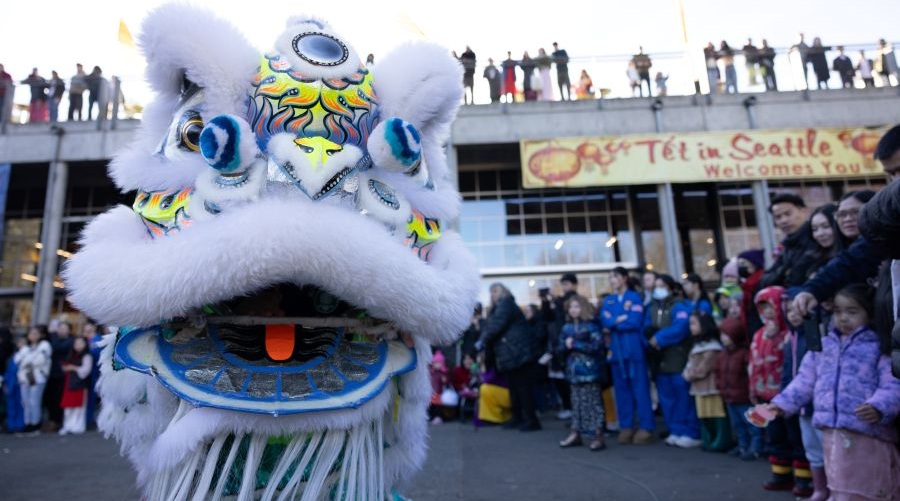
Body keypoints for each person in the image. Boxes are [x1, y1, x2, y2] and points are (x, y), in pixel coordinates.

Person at [770, 285, 900, 501]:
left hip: (868, 434)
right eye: (838, 311)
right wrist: (780, 405)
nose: (843, 318)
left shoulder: (878, 346)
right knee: (840, 485)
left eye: (852, 311)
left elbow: (893, 383)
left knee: (870, 488)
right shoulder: (823, 346)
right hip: (832, 433)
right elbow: (804, 380)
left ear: (868, 313)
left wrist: (879, 406)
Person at [749, 286, 807, 494]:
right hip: (765, 396)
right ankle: (781, 474)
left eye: (770, 307)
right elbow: (753, 364)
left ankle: (804, 477)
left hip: (786, 396)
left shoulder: (787, 335)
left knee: (795, 435)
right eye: (762, 308)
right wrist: (753, 388)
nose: (767, 312)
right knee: (775, 436)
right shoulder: (759, 335)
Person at [476, 283, 542, 431]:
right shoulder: (500, 307)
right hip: (512, 354)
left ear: (503, 291)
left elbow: (496, 325)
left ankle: (531, 420)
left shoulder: (506, 304)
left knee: (522, 388)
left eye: (495, 291)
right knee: (514, 388)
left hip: (518, 352)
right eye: (491, 291)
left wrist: (482, 341)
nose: (492, 294)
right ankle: (517, 417)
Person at [600, 267, 654, 445]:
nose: (612, 280)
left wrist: (615, 322)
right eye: (610, 277)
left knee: (640, 389)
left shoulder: (634, 297)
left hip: (634, 351)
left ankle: (646, 427)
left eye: (614, 276)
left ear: (624, 278)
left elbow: (634, 321)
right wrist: (619, 319)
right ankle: (627, 426)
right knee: (621, 392)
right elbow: (605, 321)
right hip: (616, 353)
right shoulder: (608, 300)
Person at [646, 274, 701, 448]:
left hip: (677, 357)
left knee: (682, 397)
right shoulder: (652, 307)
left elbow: (681, 327)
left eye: (661, 285)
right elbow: (645, 327)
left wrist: (659, 338)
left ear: (670, 287)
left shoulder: (680, 306)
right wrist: (650, 339)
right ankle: (675, 430)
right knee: (667, 398)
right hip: (660, 360)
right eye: (656, 285)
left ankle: (691, 432)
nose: (657, 289)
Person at [781, 290, 820, 499]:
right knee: (809, 447)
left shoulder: (813, 336)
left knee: (826, 449)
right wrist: (782, 399)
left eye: (797, 309)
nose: (793, 314)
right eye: (788, 310)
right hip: (797, 404)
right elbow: (787, 371)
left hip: (817, 404)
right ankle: (817, 486)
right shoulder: (791, 338)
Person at [714, 298, 761, 460]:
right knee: (738, 425)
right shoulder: (723, 354)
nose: (724, 338)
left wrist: (751, 391)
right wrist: (720, 387)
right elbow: (718, 373)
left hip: (743, 397)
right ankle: (742, 447)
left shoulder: (744, 354)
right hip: (729, 396)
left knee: (753, 424)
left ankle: (755, 448)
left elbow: (750, 374)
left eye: (726, 335)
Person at [558, 295, 607, 451]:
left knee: (593, 404)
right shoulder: (566, 328)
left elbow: (597, 347)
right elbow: (559, 348)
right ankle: (576, 433)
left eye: (577, 307)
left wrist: (575, 344)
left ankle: (598, 435)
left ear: (583, 308)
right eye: (571, 307)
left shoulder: (591, 326)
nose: (573, 310)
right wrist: (565, 346)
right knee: (576, 404)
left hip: (589, 371)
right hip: (573, 372)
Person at [682, 312, 730, 452]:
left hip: (711, 387)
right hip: (699, 388)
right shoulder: (698, 345)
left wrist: (688, 375)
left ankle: (720, 442)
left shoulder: (712, 348)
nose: (691, 327)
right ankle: (709, 441)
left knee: (716, 415)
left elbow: (703, 369)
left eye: (694, 323)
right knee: (704, 416)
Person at [760, 193, 819, 289]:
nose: (783, 220)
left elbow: (797, 277)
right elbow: (764, 280)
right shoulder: (786, 246)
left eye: (788, 214)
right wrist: (784, 271)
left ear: (804, 211)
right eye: (778, 217)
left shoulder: (817, 238)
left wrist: (782, 273)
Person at [541, 273, 580, 420]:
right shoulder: (559, 302)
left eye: (567, 284)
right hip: (559, 343)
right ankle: (569, 408)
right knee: (560, 380)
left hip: (571, 344)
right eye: (563, 284)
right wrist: (546, 302)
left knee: (571, 380)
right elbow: (548, 318)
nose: (564, 287)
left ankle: (575, 410)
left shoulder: (574, 301)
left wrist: (556, 301)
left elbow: (565, 314)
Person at [13, 326, 51, 434]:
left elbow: (40, 360)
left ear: (40, 334)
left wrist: (27, 361)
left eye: (35, 333)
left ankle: (36, 424)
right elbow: (17, 360)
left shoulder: (45, 345)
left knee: (34, 401)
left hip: (38, 378)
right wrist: (27, 360)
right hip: (25, 378)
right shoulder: (25, 348)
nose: (33, 335)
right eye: (31, 333)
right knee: (25, 402)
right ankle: (27, 423)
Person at [58, 336, 93, 435]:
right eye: (76, 343)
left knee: (78, 408)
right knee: (68, 407)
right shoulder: (71, 355)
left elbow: (85, 371)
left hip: (80, 385)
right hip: (68, 384)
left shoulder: (87, 356)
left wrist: (73, 368)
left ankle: (77, 426)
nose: (78, 345)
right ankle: (67, 426)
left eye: (80, 343)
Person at [737, 249, 766, 335]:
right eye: (739, 265)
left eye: (743, 264)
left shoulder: (762, 283)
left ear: (754, 264)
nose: (740, 268)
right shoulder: (747, 286)